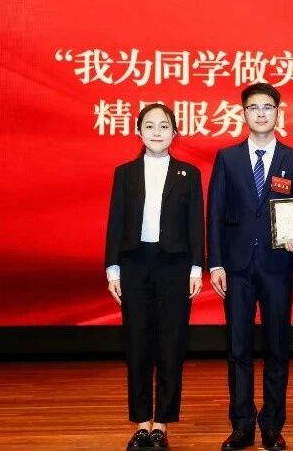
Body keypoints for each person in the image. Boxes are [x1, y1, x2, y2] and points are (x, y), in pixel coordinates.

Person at [207, 83, 293, 451]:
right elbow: (215, 212)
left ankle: (272, 425)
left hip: (277, 264)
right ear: (244, 113)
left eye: (268, 107)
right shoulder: (227, 158)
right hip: (236, 267)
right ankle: (242, 425)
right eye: (254, 107)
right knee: (239, 347)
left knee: (278, 347)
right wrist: (215, 263)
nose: (261, 113)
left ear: (278, 112)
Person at [105, 102, 204, 451]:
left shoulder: (188, 173)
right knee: (137, 343)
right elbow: (116, 221)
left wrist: (197, 267)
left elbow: (196, 224)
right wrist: (112, 268)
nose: (157, 132)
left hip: (175, 265)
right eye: (149, 126)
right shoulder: (125, 173)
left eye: (164, 126)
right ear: (139, 131)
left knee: (171, 343)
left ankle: (161, 423)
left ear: (175, 133)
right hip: (134, 264)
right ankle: (142, 424)